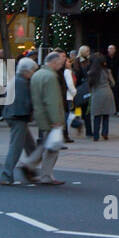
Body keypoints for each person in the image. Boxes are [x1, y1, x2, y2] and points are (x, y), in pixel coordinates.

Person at [19, 51, 68, 186]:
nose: (60, 65)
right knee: (52, 148)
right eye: (59, 63)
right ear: (54, 62)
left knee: (46, 144)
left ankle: (30, 165)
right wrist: (56, 120)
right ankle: (43, 173)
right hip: (50, 117)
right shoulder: (50, 77)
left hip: (40, 114)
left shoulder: (37, 74)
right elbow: (51, 100)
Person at [0, 58, 39, 185]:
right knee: (16, 147)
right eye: (33, 71)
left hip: (13, 115)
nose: (33, 73)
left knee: (30, 146)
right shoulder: (22, 82)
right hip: (18, 117)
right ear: (26, 71)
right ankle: (7, 175)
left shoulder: (16, 80)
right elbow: (26, 102)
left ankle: (30, 170)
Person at [86, 52, 115, 142]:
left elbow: (89, 85)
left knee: (96, 115)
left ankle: (96, 135)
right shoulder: (107, 71)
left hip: (96, 94)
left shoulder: (91, 73)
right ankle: (105, 133)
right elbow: (113, 83)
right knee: (106, 115)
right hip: (107, 93)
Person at [106, 44, 119, 116]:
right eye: (110, 49)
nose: (111, 50)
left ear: (115, 50)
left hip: (116, 78)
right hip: (108, 79)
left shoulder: (118, 58)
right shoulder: (105, 58)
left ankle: (118, 109)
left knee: (117, 94)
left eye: (112, 49)